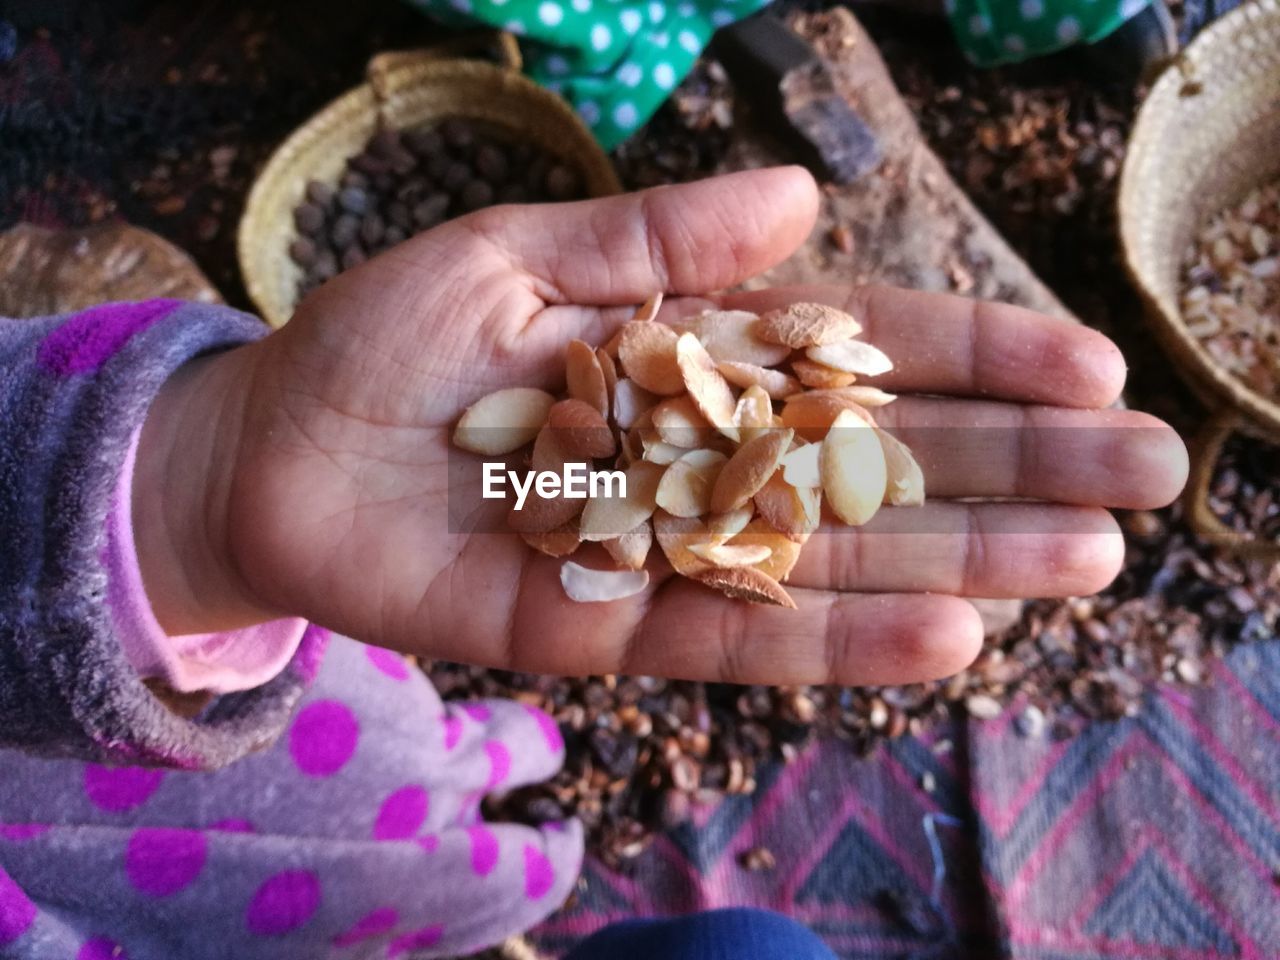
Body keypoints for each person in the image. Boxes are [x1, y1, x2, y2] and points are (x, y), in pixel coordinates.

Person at [0, 167, 1187, 959]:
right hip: (110, 878)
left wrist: (191, 489)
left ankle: (470, 791)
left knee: (388, 756)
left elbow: (533, 483)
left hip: (137, 679)